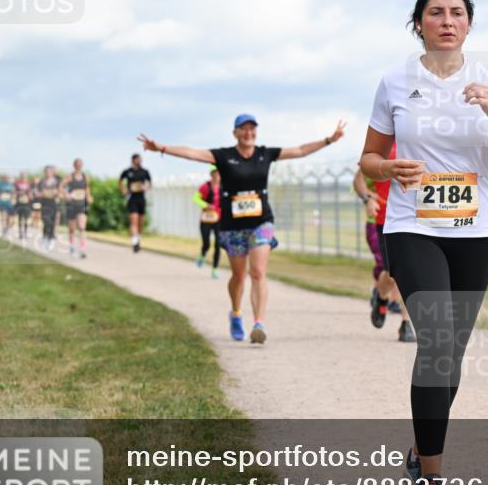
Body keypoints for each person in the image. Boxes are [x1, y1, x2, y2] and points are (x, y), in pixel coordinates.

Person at [358, 0, 488, 485]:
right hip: (412, 225)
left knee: (451, 352)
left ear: (469, 24)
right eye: (436, 12)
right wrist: (388, 168)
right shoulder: (394, 81)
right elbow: (368, 159)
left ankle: (418, 450)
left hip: (476, 231)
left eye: (457, 12)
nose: (447, 20)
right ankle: (431, 480)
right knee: (435, 343)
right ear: (419, 24)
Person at [136, 114, 345, 344]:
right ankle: (236, 313)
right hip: (233, 225)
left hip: (261, 222)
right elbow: (192, 152)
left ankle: (258, 323)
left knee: (258, 272)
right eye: (243, 129)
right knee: (238, 276)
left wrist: (329, 140)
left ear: (256, 132)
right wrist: (161, 148)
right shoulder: (224, 156)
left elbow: (300, 150)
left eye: (252, 128)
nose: (248, 133)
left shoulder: (265, 154)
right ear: (235, 133)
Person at [353, 146, 415, 343]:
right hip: (387, 220)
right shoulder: (384, 146)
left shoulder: (427, 143)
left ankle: (406, 324)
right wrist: (367, 199)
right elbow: (359, 179)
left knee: (412, 272)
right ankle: (381, 296)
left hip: (419, 219)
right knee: (392, 274)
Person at [119, 154, 151, 253]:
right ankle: (134, 243)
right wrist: (123, 190)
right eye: (138, 159)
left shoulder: (144, 171)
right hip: (132, 199)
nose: (140, 161)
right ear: (133, 160)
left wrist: (146, 187)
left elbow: (149, 183)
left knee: (140, 223)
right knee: (134, 221)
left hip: (141, 199)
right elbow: (120, 181)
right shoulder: (127, 171)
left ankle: (138, 240)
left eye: (140, 159)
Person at [62, 159, 91, 258]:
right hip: (72, 205)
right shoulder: (70, 176)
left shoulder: (85, 177)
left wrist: (88, 196)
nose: (79, 166)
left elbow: (87, 188)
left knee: (82, 227)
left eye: (80, 164)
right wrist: (66, 194)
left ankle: (82, 249)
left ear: (82, 165)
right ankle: (72, 246)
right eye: (77, 164)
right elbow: (61, 186)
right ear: (74, 165)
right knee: (72, 229)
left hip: (82, 204)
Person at [37, 166, 62, 251]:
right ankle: (45, 237)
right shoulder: (42, 182)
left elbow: (60, 192)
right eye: (46, 171)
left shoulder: (57, 181)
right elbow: (38, 191)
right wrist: (39, 194)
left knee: (52, 221)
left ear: (52, 172)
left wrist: (57, 193)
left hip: (53, 203)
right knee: (45, 220)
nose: (47, 173)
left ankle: (51, 238)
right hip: (44, 203)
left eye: (49, 171)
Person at [14, 173, 33, 240]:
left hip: (26, 203)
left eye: (24, 175)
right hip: (19, 203)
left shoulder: (28, 183)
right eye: (22, 175)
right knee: (20, 218)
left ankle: (25, 232)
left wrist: (30, 196)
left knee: (26, 219)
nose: (23, 177)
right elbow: (14, 192)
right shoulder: (17, 183)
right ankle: (20, 233)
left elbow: (30, 192)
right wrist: (19, 193)